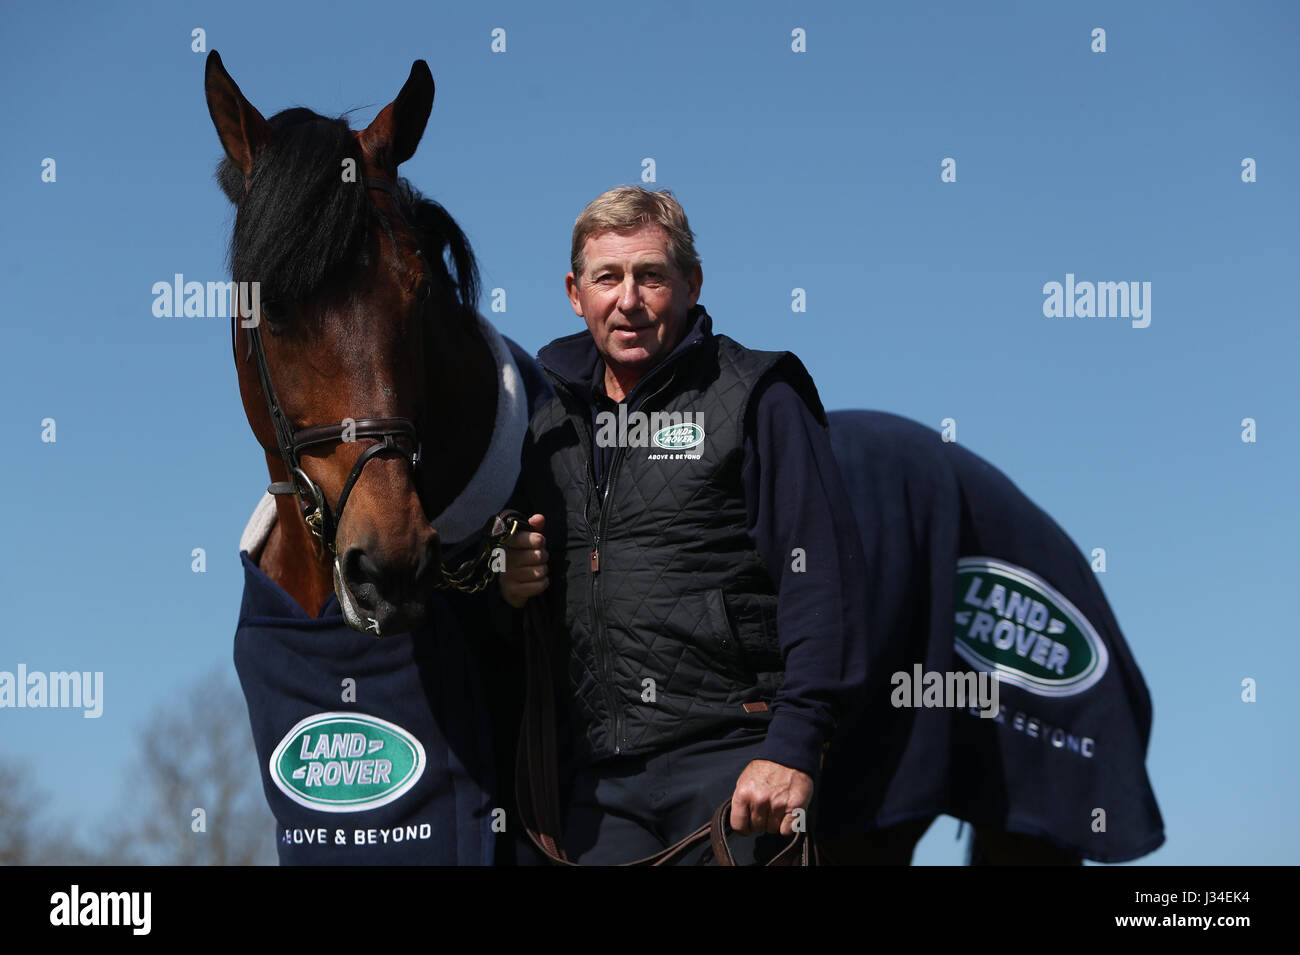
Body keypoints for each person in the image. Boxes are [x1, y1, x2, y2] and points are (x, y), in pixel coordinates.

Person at [501, 186, 868, 864]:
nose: (629, 299)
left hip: (731, 765)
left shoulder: (760, 394)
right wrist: (508, 578)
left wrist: (793, 746)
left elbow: (825, 585)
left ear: (692, 283)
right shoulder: (540, 425)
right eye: (606, 277)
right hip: (595, 788)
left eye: (651, 275)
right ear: (575, 293)